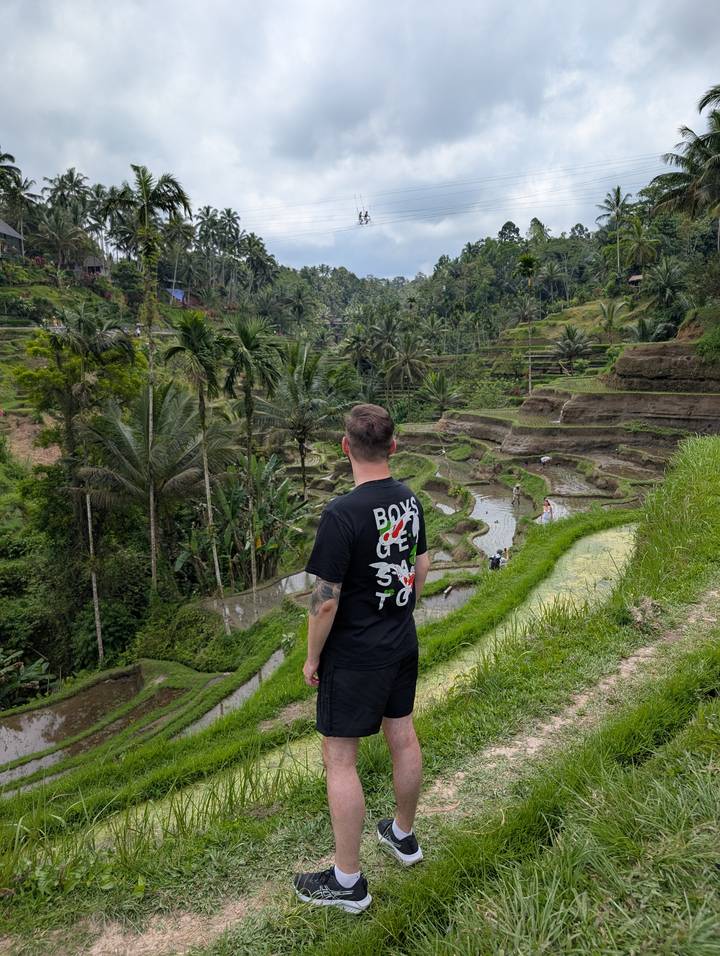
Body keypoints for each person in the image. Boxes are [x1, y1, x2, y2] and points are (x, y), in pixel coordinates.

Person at [294, 404, 430, 914]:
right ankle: (403, 835)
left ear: (345, 447)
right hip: (400, 641)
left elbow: (325, 599)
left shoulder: (341, 513)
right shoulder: (412, 501)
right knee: (403, 735)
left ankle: (348, 882)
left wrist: (312, 657)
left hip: (354, 655)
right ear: (393, 447)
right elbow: (420, 567)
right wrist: (399, 613)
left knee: (341, 759)